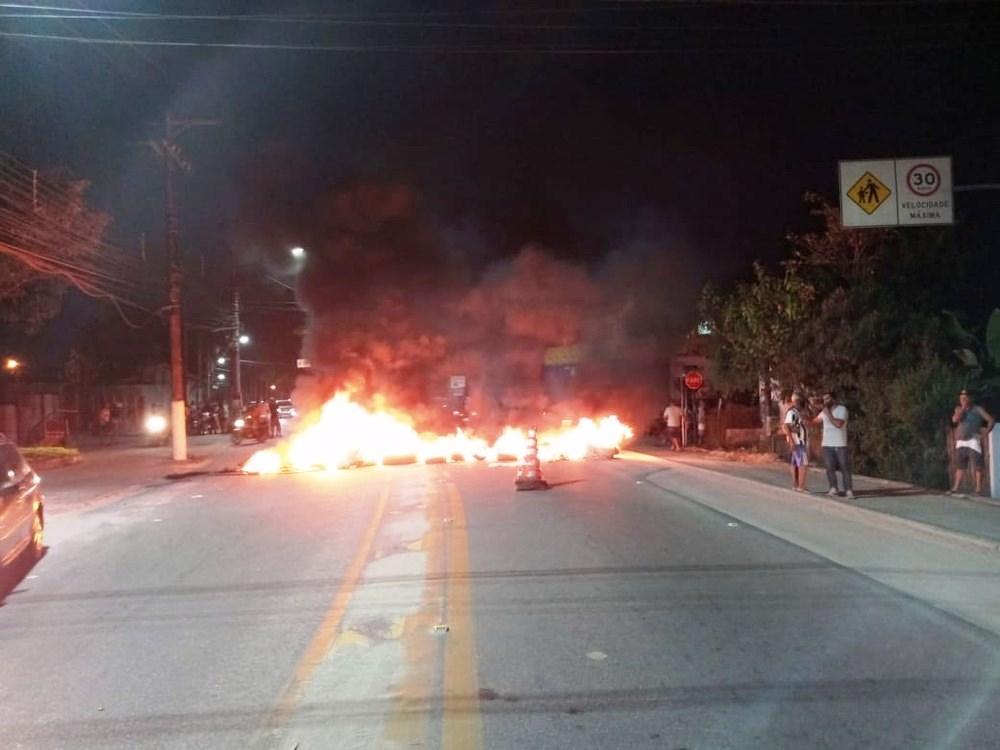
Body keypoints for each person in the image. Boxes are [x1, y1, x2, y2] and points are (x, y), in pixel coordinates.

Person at [949, 389, 995, 497]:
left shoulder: (977, 409)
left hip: (973, 440)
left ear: (970, 398)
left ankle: (978, 489)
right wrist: (963, 409)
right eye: (961, 398)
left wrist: (985, 434)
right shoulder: (958, 409)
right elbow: (955, 420)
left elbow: (991, 420)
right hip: (961, 441)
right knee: (960, 465)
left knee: (978, 465)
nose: (963, 399)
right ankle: (956, 487)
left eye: (965, 397)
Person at [813, 391, 853, 499]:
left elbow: (839, 424)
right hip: (827, 444)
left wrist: (829, 414)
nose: (825, 401)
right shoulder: (824, 412)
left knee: (844, 467)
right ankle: (833, 488)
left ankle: (848, 490)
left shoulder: (842, 410)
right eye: (824, 399)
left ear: (833, 399)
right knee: (829, 467)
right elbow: (814, 421)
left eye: (827, 399)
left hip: (840, 444)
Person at [783, 393, 810, 492]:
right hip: (797, 441)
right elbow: (786, 426)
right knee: (803, 463)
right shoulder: (792, 412)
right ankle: (801, 486)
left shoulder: (799, 412)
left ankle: (795, 484)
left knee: (795, 463)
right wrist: (791, 441)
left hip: (799, 440)